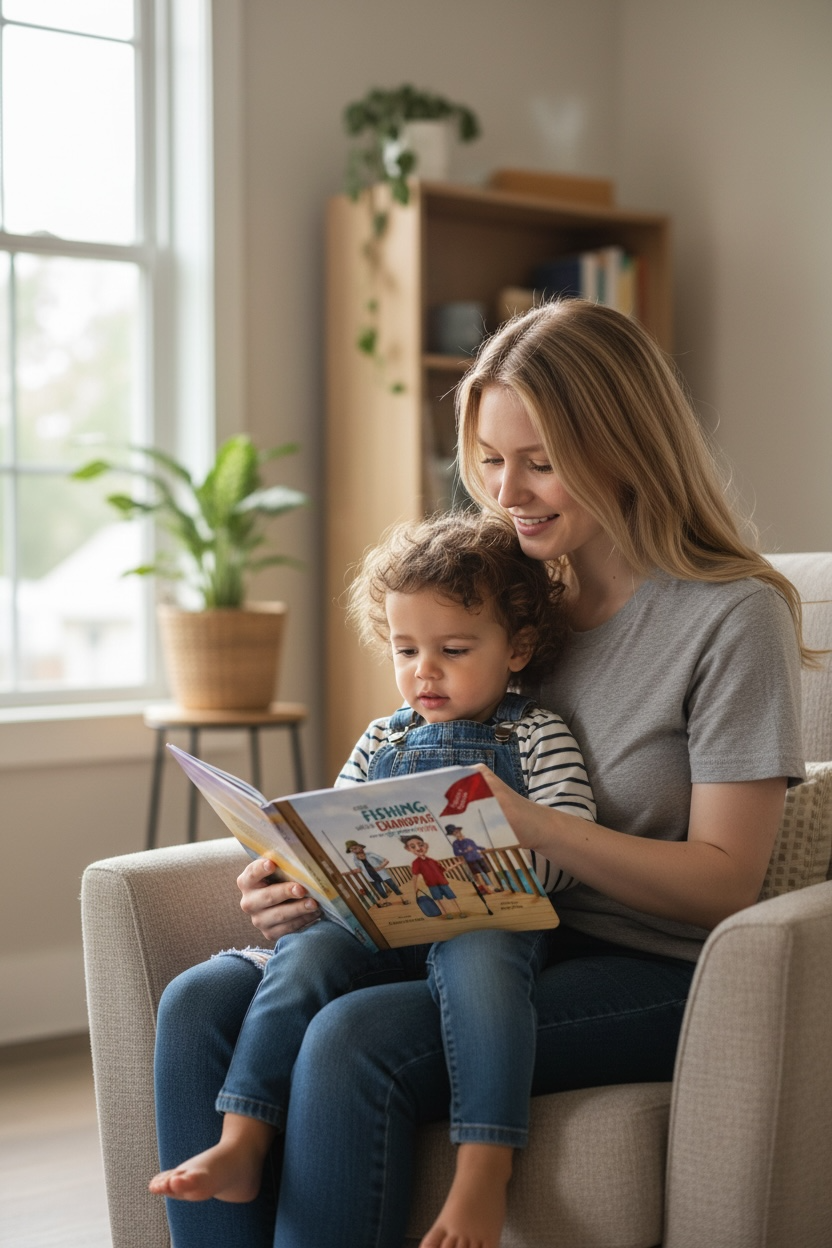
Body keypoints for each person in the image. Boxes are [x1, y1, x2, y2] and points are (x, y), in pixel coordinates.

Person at [152, 299, 809, 1248]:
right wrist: (313, 871)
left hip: (647, 964)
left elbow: (726, 882)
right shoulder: (509, 595)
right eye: (491, 460)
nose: (508, 492)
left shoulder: (728, 618)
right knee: (202, 999)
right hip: (474, 929)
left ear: (626, 445)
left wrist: (529, 827)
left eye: (541, 462)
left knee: (353, 1043)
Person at [150, 509, 596, 1248]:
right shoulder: (382, 737)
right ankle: (242, 1137)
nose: (425, 670)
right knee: (309, 952)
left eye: (454, 649)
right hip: (381, 921)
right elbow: (332, 828)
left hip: (488, 920)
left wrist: (502, 856)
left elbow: (568, 851)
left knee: (480, 954)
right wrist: (294, 871)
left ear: (517, 648)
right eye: (406, 649)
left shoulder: (537, 734)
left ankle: (484, 1169)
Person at [344, 839, 410, 906]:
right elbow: (359, 869)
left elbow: (386, 860)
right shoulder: (355, 859)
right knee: (381, 892)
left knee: (395, 888)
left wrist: (380, 867)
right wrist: (350, 872)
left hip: (383, 875)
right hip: (371, 878)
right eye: (351, 849)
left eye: (355, 848)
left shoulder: (371, 854)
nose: (353, 850)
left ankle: (404, 899)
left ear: (360, 847)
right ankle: (387, 902)